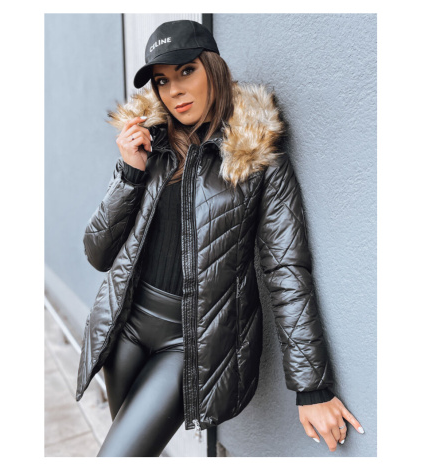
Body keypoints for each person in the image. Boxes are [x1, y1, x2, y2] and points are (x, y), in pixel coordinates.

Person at [75, 19, 364, 457]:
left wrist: (312, 387)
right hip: (125, 327)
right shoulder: (151, 147)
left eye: (186, 71)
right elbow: (98, 253)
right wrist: (129, 175)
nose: (175, 90)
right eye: (162, 81)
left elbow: (287, 270)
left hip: (191, 341)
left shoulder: (258, 158)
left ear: (214, 68)